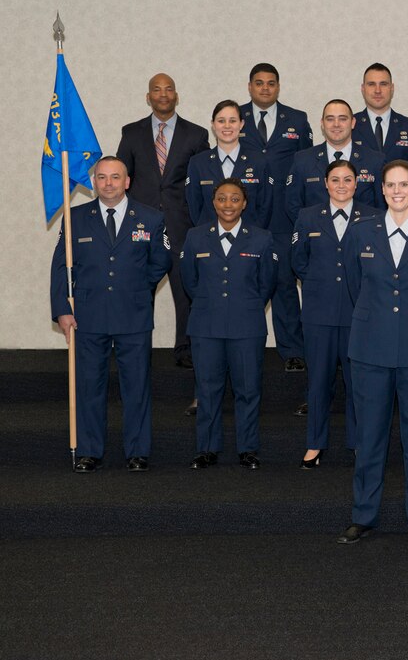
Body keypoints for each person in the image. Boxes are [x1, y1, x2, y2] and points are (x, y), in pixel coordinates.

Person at [337, 160, 408, 545]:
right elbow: (356, 288)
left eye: (405, 184)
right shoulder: (360, 233)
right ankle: (363, 515)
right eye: (391, 185)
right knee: (369, 436)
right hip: (371, 347)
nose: (398, 191)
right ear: (382, 190)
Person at [50, 157, 172, 472]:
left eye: (115, 177)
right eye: (102, 177)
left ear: (127, 181)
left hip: (133, 315)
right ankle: (90, 451)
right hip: (87, 316)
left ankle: (137, 452)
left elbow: (161, 260)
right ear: (95, 182)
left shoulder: (151, 218)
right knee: (89, 385)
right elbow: (61, 266)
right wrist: (62, 309)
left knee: (137, 386)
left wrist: (137, 288)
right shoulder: (76, 217)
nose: (108, 183)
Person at [180, 178, 276, 470]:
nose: (228, 205)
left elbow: (266, 284)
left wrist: (241, 307)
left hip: (246, 327)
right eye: (222, 199)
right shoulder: (195, 237)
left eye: (235, 199)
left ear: (244, 203)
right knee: (208, 389)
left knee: (248, 390)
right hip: (206, 327)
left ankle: (247, 449)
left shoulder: (261, 238)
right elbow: (189, 281)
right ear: (213, 202)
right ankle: (206, 448)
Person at [116, 73, 209, 369]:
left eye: (169, 89)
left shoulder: (196, 135)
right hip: (142, 226)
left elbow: (203, 183)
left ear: (176, 96)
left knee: (186, 290)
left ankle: (186, 348)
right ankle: (137, 347)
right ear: (148, 97)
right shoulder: (131, 133)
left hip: (183, 224)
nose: (163, 94)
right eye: (157, 89)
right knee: (140, 289)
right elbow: (123, 180)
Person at [291, 160, 378, 468]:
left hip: (359, 314)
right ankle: (315, 443)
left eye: (348, 179)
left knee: (360, 384)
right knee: (318, 382)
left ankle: (359, 444)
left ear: (357, 183)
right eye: (335, 179)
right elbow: (298, 261)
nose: (342, 185)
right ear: (325, 184)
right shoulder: (307, 216)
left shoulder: (372, 216)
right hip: (319, 314)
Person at [238, 63, 313, 374]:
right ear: (250, 86)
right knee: (243, 286)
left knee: (284, 284)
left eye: (270, 83)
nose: (265, 88)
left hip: (284, 217)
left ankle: (293, 351)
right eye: (259, 83)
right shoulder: (235, 117)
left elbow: (309, 165)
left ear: (278, 87)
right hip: (247, 215)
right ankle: (242, 347)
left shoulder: (297, 119)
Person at [286, 99, 384, 221]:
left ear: (353, 122)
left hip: (363, 236)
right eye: (330, 119)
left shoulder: (375, 160)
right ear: (322, 123)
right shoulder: (303, 160)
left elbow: (382, 207)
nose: (336, 124)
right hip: (317, 237)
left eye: (343, 119)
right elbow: (293, 205)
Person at [186, 99, 271, 230]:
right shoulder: (198, 163)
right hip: (209, 238)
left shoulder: (259, 161)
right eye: (221, 121)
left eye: (232, 121)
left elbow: (265, 206)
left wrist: (254, 236)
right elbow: (194, 206)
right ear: (213, 125)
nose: (227, 126)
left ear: (241, 124)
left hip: (249, 239)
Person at [350, 62, 408, 162]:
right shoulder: (349, 126)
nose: (378, 90)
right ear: (363, 89)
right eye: (371, 84)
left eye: (383, 84)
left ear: (392, 88)